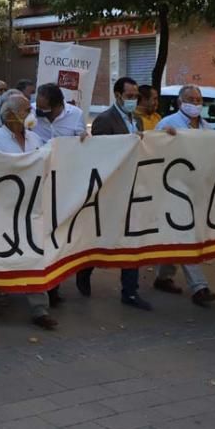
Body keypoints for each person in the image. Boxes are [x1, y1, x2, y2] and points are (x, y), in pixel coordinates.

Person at [150, 85, 215, 306]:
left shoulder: (206, 127)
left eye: (198, 100)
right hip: (173, 189)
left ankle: (163, 277)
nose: (195, 103)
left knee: (176, 235)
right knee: (186, 235)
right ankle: (199, 287)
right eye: (190, 99)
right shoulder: (167, 124)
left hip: (197, 190)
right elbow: (151, 150)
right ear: (179, 102)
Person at [0, 93, 57, 330]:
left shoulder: (36, 139)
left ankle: (39, 308)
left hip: (32, 207)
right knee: (0, 253)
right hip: (1, 208)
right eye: (24, 110)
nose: (29, 114)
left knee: (35, 255)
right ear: (9, 115)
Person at [77, 77, 152, 310]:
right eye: (129, 96)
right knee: (104, 237)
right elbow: (101, 154)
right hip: (112, 188)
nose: (133, 100)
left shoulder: (137, 120)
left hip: (134, 186)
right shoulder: (104, 120)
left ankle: (130, 291)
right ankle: (85, 268)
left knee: (131, 239)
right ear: (118, 95)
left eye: (136, 96)